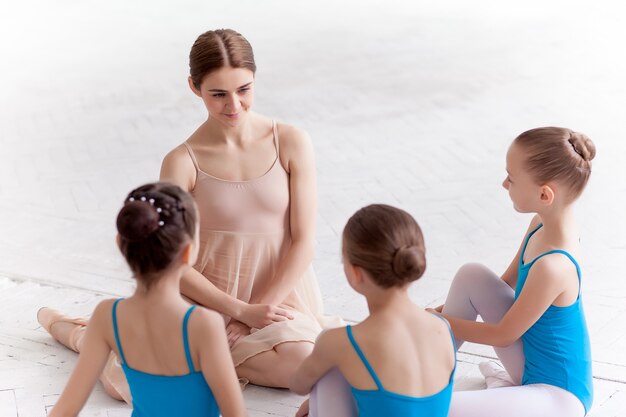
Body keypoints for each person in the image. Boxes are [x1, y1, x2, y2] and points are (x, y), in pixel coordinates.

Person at [38, 29, 331, 400]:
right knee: (126, 383)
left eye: (244, 89)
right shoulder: (182, 161)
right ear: (194, 87)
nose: (234, 106)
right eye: (218, 94)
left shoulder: (290, 141)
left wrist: (254, 312)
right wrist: (236, 310)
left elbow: (304, 240)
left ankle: (204, 356)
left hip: (278, 295)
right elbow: (173, 260)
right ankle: (79, 331)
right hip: (209, 299)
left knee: (300, 367)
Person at [42, 182, 246, 417]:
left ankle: (51, 319)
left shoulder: (108, 316)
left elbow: (64, 410)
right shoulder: (203, 323)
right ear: (188, 252)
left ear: (121, 243)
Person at [433, 127, 595, 417]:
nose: (504, 184)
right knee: (472, 274)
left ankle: (426, 383)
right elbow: (505, 282)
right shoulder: (541, 224)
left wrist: (439, 322)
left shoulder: (554, 266)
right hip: (530, 360)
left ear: (545, 194)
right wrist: (444, 313)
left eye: (512, 178)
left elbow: (503, 334)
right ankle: (427, 369)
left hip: (558, 395)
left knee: (431, 410)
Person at [290, 204, 456, 417]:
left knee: (332, 364)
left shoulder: (342, 341)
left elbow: (298, 385)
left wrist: (316, 403)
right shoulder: (442, 327)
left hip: (337, 357)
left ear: (355, 273)